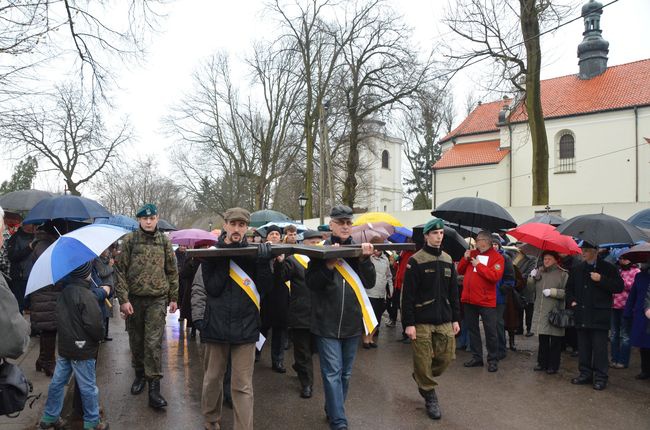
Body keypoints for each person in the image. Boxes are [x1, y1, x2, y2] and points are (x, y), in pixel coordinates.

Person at [191, 207, 273, 430]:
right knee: (212, 379)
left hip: (246, 328)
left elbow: (265, 288)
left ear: (246, 228)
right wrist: (224, 256)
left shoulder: (255, 255)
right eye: (233, 224)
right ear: (225, 224)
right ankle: (210, 418)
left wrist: (265, 263)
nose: (237, 229)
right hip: (216, 326)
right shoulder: (211, 254)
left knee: (242, 386)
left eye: (242, 225)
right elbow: (214, 289)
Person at [306, 205, 375, 430]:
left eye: (348, 223)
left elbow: (370, 282)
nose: (345, 226)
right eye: (340, 222)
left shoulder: (358, 250)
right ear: (331, 225)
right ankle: (339, 421)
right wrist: (328, 265)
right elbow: (312, 283)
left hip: (352, 323)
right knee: (332, 372)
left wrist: (365, 260)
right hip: (326, 323)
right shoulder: (319, 251)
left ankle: (333, 408)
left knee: (345, 374)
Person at [115, 203, 179, 409]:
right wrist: (123, 300)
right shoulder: (130, 240)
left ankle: (154, 389)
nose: (149, 221)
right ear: (140, 220)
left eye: (152, 218)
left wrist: (173, 297)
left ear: (157, 219)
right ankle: (139, 375)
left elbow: (172, 271)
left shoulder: (164, 242)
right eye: (145, 219)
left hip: (157, 300)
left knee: (152, 343)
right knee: (137, 340)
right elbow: (120, 272)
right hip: (134, 299)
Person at [38, 261, 108, 430]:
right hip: (82, 349)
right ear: (86, 273)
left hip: (66, 346)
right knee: (88, 386)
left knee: (57, 382)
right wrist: (100, 336)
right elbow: (94, 325)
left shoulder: (65, 292)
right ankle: (92, 422)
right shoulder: (86, 295)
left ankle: (50, 416)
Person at [402, 218, 460, 420]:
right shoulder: (415, 260)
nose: (439, 236)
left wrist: (455, 318)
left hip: (444, 318)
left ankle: (421, 374)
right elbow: (407, 295)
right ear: (426, 236)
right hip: (422, 320)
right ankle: (430, 396)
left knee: (446, 358)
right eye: (435, 233)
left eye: (441, 233)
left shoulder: (447, 259)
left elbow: (454, 293)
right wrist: (408, 323)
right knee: (423, 358)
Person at [566, 242, 623, 390]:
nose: (583, 253)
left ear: (595, 251)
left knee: (599, 349)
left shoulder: (608, 268)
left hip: (599, 315)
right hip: (582, 313)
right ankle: (585, 373)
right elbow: (569, 288)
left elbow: (619, 286)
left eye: (586, 250)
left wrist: (601, 279)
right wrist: (572, 301)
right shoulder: (577, 268)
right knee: (584, 347)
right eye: (582, 250)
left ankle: (600, 377)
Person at [282, 229, 323, 398]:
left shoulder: (325, 260)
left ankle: (300, 366)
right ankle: (306, 384)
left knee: (313, 349)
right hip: (300, 313)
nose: (315, 245)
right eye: (312, 242)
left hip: (320, 314)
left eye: (318, 242)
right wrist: (279, 262)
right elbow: (282, 277)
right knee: (303, 350)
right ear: (304, 243)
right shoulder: (294, 260)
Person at [457, 230, 504, 372]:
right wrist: (465, 259)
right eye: (477, 239)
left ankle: (493, 359)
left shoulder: (497, 258)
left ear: (487, 241)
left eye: (479, 239)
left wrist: (479, 265)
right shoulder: (472, 253)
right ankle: (477, 357)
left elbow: (494, 276)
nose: (476, 241)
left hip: (486, 300)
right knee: (473, 330)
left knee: (491, 331)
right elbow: (460, 270)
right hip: (469, 299)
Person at [529, 251, 569, 374]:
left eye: (549, 259)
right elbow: (530, 290)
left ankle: (553, 365)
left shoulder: (563, 274)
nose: (546, 261)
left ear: (556, 260)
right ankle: (542, 363)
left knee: (555, 341)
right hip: (541, 310)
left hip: (555, 312)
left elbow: (568, 293)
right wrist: (531, 278)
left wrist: (553, 292)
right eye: (545, 259)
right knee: (543, 339)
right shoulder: (539, 271)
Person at [30, 225, 61, 377]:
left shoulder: (45, 243)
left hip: (48, 293)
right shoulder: (44, 246)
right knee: (49, 329)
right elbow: (51, 269)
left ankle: (42, 360)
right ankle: (48, 363)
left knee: (48, 330)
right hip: (46, 294)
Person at [0, 205, 30, 360]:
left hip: (14, 276)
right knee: (17, 306)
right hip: (13, 276)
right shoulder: (13, 238)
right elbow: (17, 343)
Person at [259, 224, 290, 373]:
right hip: (265, 298)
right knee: (262, 328)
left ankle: (277, 360)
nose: (274, 236)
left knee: (279, 331)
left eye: (277, 234)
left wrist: (280, 262)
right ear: (267, 237)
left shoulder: (286, 253)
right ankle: (256, 352)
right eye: (272, 234)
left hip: (281, 298)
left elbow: (284, 277)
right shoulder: (261, 251)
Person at [610, 252, 639, 369]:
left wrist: (621, 280)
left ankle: (623, 361)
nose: (623, 261)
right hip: (614, 306)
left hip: (626, 307)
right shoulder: (617, 270)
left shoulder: (636, 272)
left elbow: (633, 288)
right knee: (613, 334)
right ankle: (614, 359)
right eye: (621, 258)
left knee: (625, 335)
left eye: (625, 259)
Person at [623, 257, 650, 379]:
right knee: (643, 345)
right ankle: (645, 370)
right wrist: (628, 312)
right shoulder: (640, 276)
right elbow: (633, 295)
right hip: (641, 315)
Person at [363, 245, 393, 348]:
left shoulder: (385, 259)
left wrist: (391, 289)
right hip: (369, 292)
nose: (376, 250)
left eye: (379, 248)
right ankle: (366, 339)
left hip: (381, 293)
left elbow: (388, 276)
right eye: (375, 248)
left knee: (377, 317)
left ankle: (371, 338)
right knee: (368, 317)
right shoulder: (368, 258)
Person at [7, 222, 35, 312]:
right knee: (19, 305)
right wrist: (28, 248)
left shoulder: (35, 237)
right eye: (32, 224)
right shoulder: (15, 237)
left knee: (31, 306)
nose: (34, 226)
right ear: (25, 225)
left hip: (32, 276)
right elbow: (12, 256)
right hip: (20, 277)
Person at [91, 248, 115, 341]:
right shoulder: (97, 260)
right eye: (106, 250)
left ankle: (105, 334)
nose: (108, 251)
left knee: (108, 313)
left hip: (109, 289)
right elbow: (102, 273)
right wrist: (110, 265)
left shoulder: (106, 259)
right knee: (104, 313)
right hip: (103, 289)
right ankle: (102, 335)